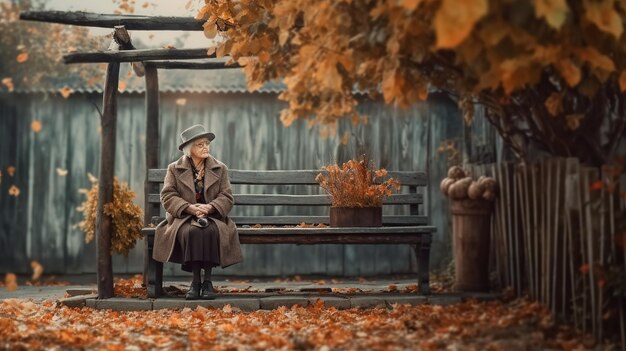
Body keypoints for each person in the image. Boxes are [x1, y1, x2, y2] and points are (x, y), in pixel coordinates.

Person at [152, 124, 242, 300]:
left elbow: (227, 196)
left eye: (207, 143)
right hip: (184, 217)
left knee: (209, 231)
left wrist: (210, 207)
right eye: (200, 144)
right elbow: (168, 195)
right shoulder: (174, 168)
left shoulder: (220, 168)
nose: (205, 147)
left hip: (213, 216)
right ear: (189, 149)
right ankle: (195, 281)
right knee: (193, 231)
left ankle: (207, 282)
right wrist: (189, 208)